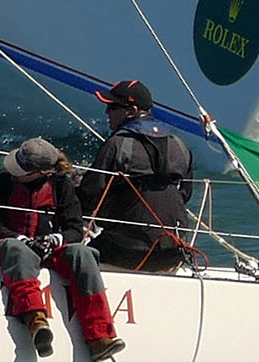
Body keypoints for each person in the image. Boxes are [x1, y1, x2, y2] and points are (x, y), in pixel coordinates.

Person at [0, 136, 122, 362]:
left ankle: (100, 337)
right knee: (17, 250)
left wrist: (54, 240)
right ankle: (37, 322)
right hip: (9, 246)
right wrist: (21, 239)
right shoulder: (3, 180)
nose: (15, 172)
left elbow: (74, 228)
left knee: (83, 254)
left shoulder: (61, 184)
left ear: (41, 172)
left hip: (48, 249)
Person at [85, 78, 198, 273]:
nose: (107, 112)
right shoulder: (179, 144)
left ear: (132, 111)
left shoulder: (117, 144)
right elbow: (185, 194)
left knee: (75, 255)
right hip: (173, 252)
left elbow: (89, 194)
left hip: (128, 253)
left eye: (112, 107)